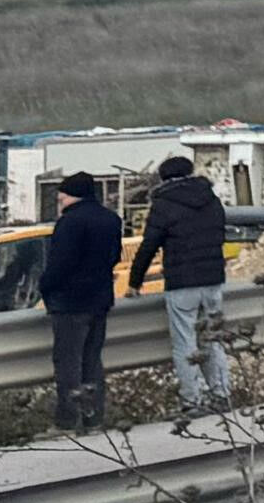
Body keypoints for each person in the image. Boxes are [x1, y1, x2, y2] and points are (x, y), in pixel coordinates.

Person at [130, 150, 234, 418]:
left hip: (182, 282)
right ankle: (222, 394)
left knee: (185, 342)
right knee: (213, 340)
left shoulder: (164, 205)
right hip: (213, 280)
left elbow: (149, 245)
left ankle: (193, 400)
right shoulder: (211, 200)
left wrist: (135, 282)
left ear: (164, 180)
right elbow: (220, 234)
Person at [35, 172, 119, 429]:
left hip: (70, 303)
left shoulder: (70, 223)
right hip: (100, 299)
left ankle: (68, 420)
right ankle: (93, 417)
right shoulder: (111, 220)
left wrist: (45, 287)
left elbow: (60, 264)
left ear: (69, 195)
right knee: (92, 360)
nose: (59, 202)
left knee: (68, 362)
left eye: (60, 197)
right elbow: (114, 257)